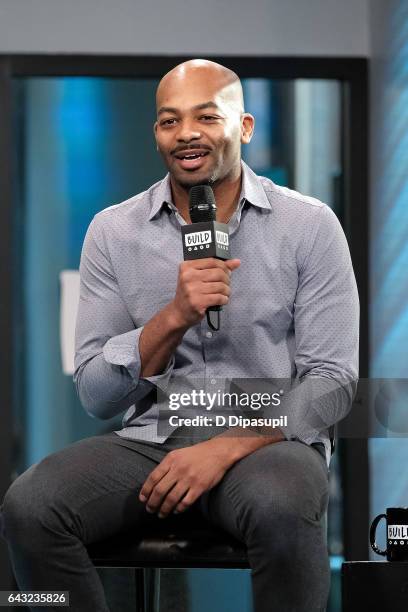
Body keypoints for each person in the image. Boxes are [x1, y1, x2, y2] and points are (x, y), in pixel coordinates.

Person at [0, 59, 359, 612]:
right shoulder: (113, 231)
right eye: (169, 121)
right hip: (152, 441)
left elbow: (333, 383)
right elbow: (96, 396)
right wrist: (173, 316)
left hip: (266, 443)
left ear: (244, 127)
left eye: (206, 117)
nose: (186, 133)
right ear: (157, 134)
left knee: (283, 504)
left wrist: (225, 446)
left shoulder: (309, 226)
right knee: (30, 505)